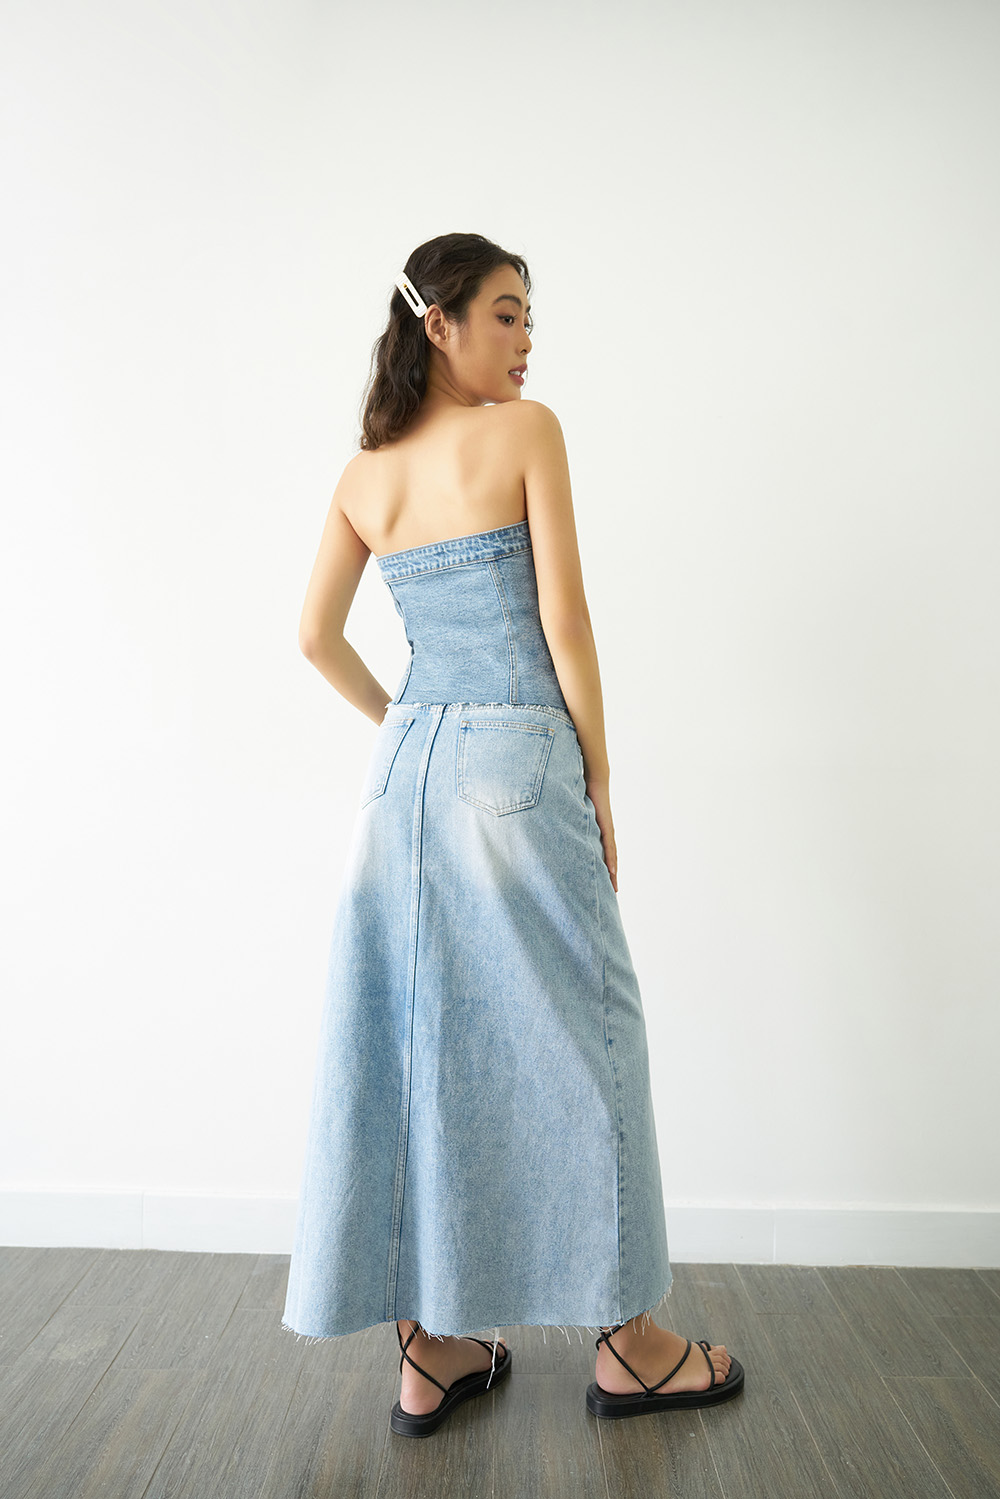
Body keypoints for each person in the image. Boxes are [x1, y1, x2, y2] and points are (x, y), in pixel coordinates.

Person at [281, 232, 745, 1437]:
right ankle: (632, 1344)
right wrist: (598, 773)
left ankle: (428, 1350)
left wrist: (408, 722)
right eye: (504, 313)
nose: (527, 339)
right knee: (591, 1029)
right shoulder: (525, 434)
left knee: (410, 1040)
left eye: (530, 316)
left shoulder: (364, 473)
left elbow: (314, 637)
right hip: (519, 759)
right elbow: (564, 616)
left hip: (404, 776)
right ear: (436, 323)